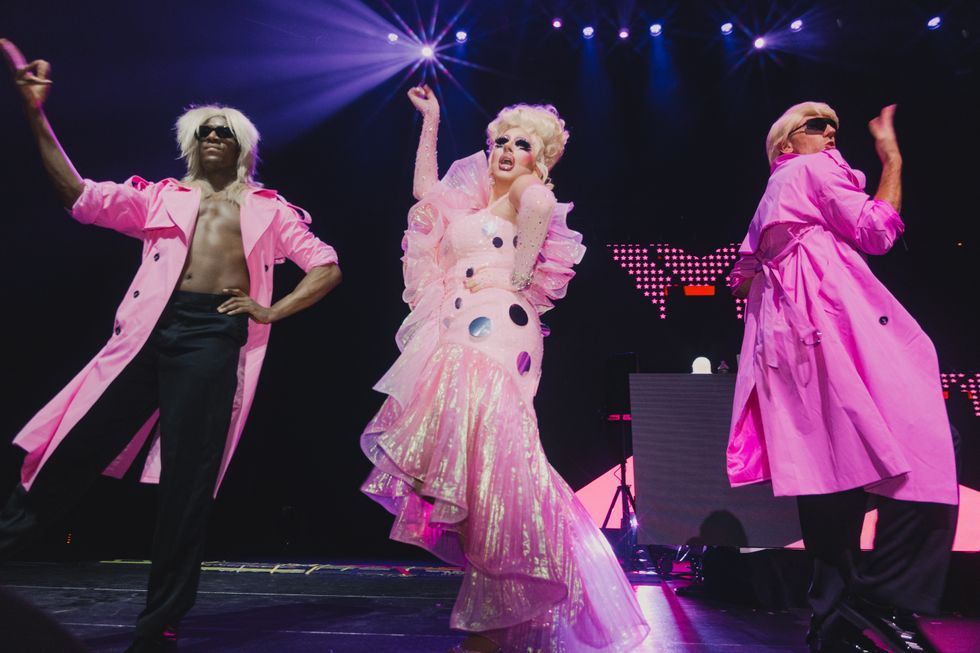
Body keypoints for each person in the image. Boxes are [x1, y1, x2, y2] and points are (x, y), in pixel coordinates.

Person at [0, 39, 341, 652]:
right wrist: (34, 112)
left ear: (242, 147)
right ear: (191, 143)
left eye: (224, 132)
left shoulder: (269, 209)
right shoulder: (161, 196)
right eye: (204, 131)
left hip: (214, 337)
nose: (212, 137)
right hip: (147, 334)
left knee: (187, 486)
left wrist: (272, 309)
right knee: (68, 451)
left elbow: (326, 265)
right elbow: (80, 196)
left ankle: (159, 626)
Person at [359, 85, 649, 653]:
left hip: (495, 324)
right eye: (501, 142)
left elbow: (538, 204)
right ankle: (502, 615)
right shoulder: (473, 202)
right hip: (462, 321)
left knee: (496, 455)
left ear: (539, 159)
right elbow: (424, 192)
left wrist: (516, 272)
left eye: (523, 145)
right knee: (477, 461)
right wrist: (432, 119)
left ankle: (502, 613)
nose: (507, 151)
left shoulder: (525, 193)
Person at [727, 101, 958, 653]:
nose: (830, 132)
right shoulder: (811, 169)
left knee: (828, 472)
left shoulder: (777, 193)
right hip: (829, 322)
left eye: (833, 125)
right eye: (815, 125)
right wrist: (892, 159)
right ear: (786, 145)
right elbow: (877, 230)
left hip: (789, 338)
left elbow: (743, 278)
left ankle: (832, 623)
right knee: (928, 443)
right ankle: (885, 595)